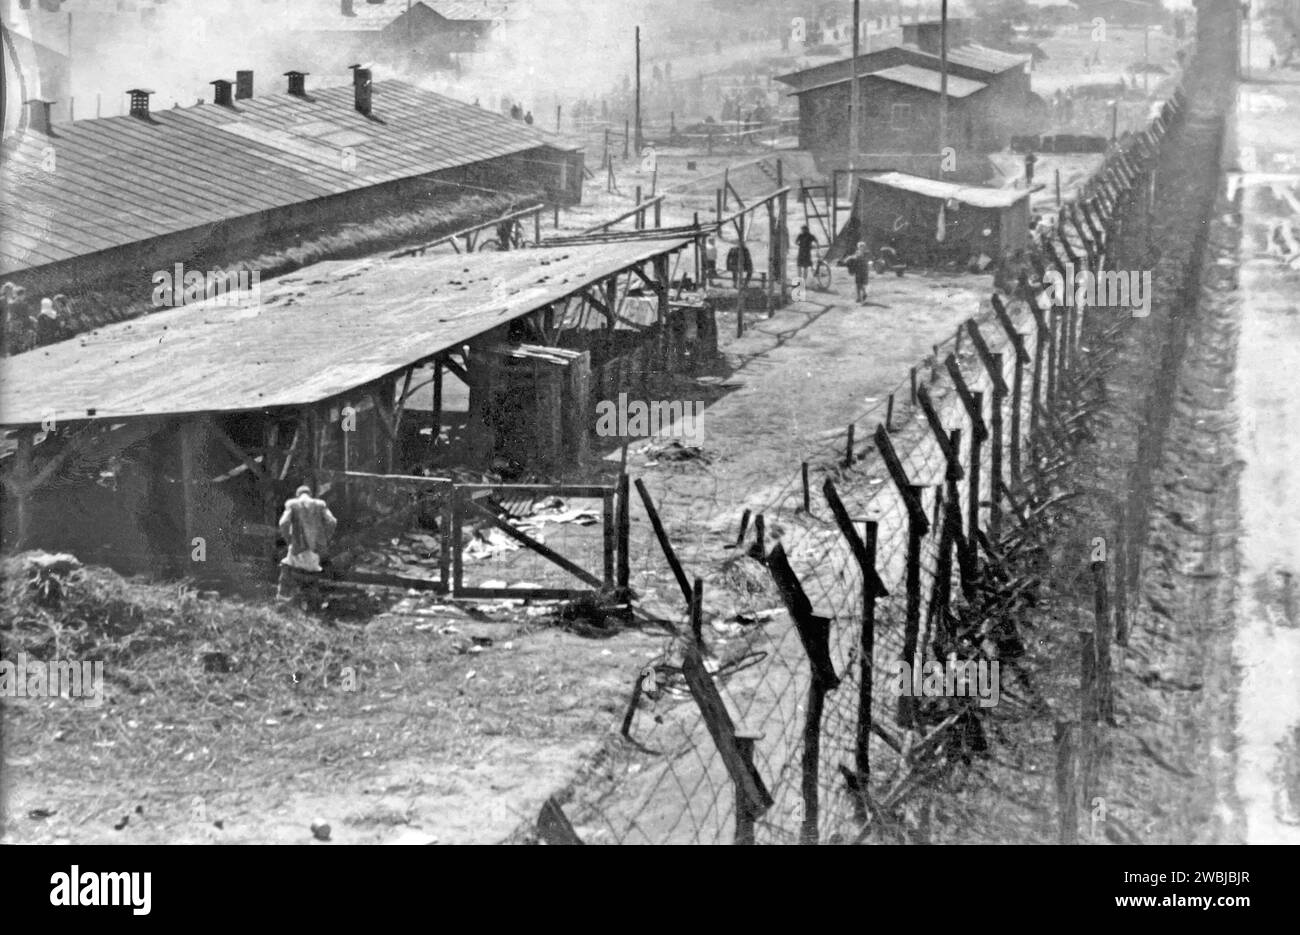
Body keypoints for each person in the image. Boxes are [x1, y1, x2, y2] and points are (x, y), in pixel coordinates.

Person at [277, 485, 338, 605]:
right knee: (312, 573)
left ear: (297, 495)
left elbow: (283, 523)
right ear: (310, 494)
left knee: (286, 568)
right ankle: (310, 603)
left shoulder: (292, 504)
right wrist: (324, 540)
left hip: (297, 549)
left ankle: (283, 600)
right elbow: (332, 521)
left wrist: (289, 539)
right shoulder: (320, 504)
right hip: (314, 551)